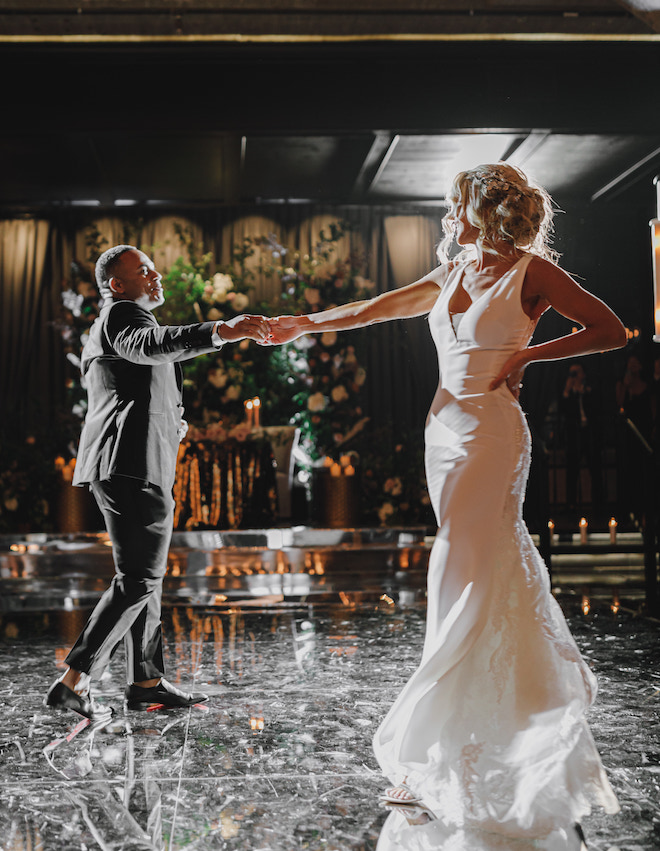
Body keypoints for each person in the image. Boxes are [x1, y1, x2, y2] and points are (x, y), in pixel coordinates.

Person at [267, 164, 626, 848]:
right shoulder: (452, 273)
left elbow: (611, 330)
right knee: (471, 572)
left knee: (461, 569)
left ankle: (424, 745)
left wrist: (529, 357)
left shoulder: (532, 272)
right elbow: (371, 309)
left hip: (493, 429)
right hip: (443, 428)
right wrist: (301, 324)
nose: (444, 217)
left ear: (481, 210)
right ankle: (458, 741)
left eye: (451, 205)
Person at [45, 245, 270, 721]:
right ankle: (75, 680)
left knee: (144, 578)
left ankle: (146, 681)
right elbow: (149, 347)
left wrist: (173, 422)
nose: (155, 275)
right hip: (130, 464)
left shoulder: (120, 321)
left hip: (131, 461)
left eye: (152, 267)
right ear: (117, 285)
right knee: (139, 580)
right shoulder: (122, 316)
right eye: (143, 270)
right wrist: (223, 331)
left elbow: (132, 385)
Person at [560, 362, 604, 513]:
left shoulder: (590, 390)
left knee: (595, 470)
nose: (574, 376)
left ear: (583, 374)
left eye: (576, 372)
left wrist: (583, 392)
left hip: (590, 434)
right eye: (571, 373)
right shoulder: (568, 393)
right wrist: (568, 390)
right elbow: (563, 412)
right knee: (572, 471)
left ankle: (598, 505)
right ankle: (571, 505)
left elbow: (597, 409)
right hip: (574, 436)